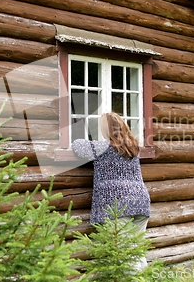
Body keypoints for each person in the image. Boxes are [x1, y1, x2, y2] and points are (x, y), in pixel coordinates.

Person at [71, 112, 151, 271]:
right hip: (141, 202)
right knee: (136, 250)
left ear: (106, 130)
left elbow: (77, 145)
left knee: (124, 253)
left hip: (118, 205)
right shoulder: (133, 148)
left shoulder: (102, 148)